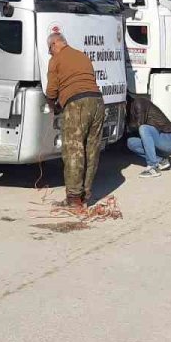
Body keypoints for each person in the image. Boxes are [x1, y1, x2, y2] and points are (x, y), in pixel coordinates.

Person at [45, 32, 104, 209]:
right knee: (91, 149)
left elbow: (51, 91)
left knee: (73, 149)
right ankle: (85, 195)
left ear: (55, 44)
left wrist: (53, 106)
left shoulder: (56, 60)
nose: (50, 53)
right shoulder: (82, 55)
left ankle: (73, 199)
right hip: (97, 102)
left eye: (50, 50)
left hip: (77, 104)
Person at [125, 94, 171, 177]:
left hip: (170, 139)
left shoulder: (139, 103)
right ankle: (161, 161)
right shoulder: (130, 111)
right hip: (160, 141)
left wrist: (127, 128)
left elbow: (140, 125)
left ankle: (152, 167)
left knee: (144, 128)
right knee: (131, 142)